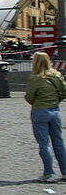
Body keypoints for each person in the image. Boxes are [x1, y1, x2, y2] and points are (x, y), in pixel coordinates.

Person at [24, 51, 66, 183]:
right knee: (58, 142)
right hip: (55, 110)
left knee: (44, 144)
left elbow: (29, 97)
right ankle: (65, 171)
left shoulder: (35, 78)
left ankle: (49, 173)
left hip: (40, 111)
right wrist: (55, 101)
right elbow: (64, 92)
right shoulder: (56, 75)